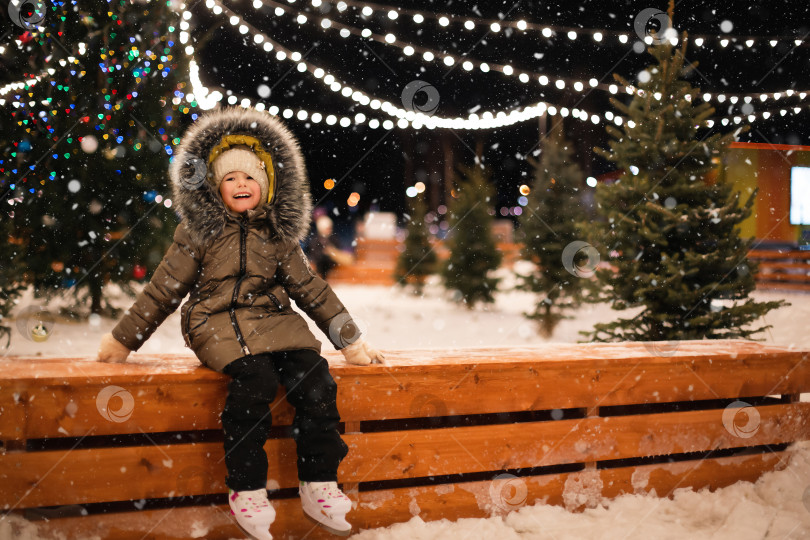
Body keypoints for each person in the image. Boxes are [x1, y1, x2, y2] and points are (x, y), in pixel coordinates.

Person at [96, 106, 385, 540]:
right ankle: (247, 488)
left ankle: (319, 483)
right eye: (230, 178)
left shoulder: (278, 235)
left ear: (266, 186)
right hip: (213, 320)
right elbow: (163, 290)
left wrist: (351, 342)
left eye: (250, 177)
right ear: (215, 187)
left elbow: (311, 289)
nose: (241, 184)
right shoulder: (198, 232)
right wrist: (122, 342)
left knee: (316, 380)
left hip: (273, 319)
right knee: (256, 380)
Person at [307, 214, 354, 280]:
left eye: (329, 228)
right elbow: (314, 253)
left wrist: (331, 251)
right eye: (327, 228)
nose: (329, 230)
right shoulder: (316, 239)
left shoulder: (333, 238)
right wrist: (324, 253)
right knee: (322, 263)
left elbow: (338, 249)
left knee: (326, 262)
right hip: (320, 262)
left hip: (331, 261)